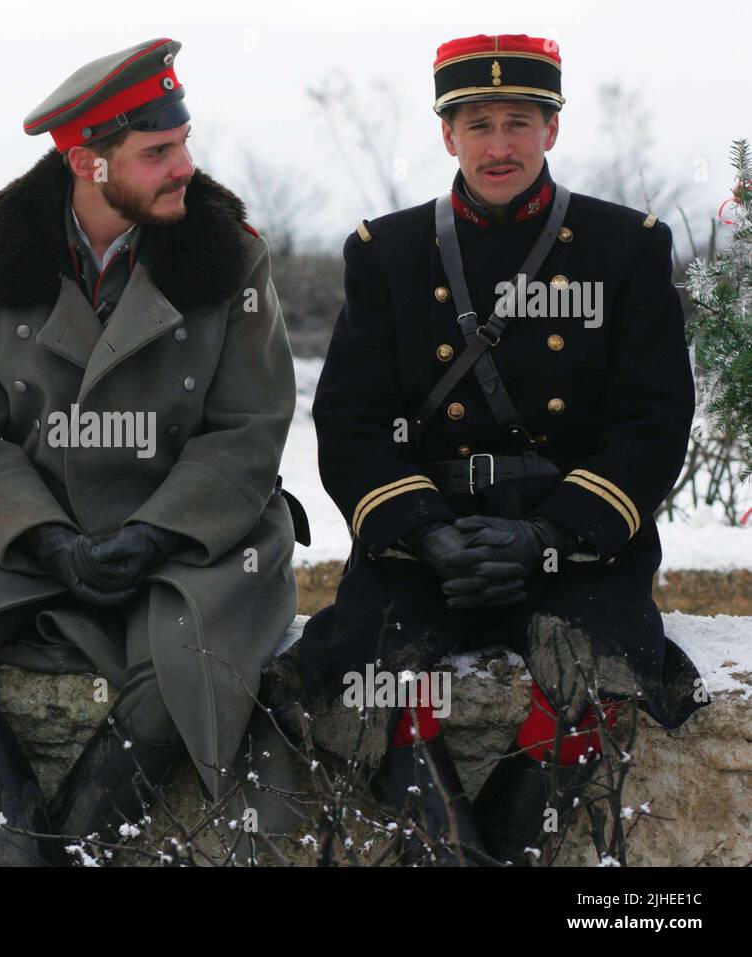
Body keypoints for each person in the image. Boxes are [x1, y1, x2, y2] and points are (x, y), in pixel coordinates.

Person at [0, 37, 309, 865]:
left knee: (189, 662)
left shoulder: (232, 256)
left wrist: (155, 531)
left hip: (193, 529)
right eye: (157, 153)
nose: (184, 167)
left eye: (182, 144)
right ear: (87, 164)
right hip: (29, 525)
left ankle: (65, 848)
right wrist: (43, 535)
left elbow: (250, 426)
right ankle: (13, 849)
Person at [299, 33, 706, 865]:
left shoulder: (626, 247)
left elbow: (653, 420)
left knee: (598, 675)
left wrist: (551, 534)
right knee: (366, 677)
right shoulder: (389, 253)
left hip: (574, 534)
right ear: (446, 133)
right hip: (429, 532)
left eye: (518, 121)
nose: (498, 145)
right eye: (477, 123)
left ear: (552, 129)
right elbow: (351, 421)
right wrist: (424, 528)